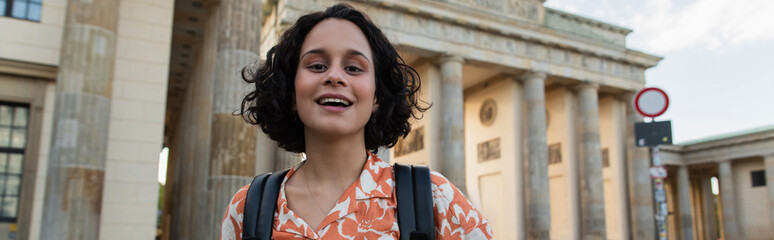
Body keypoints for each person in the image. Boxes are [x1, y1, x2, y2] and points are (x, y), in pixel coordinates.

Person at [220, 3, 492, 239]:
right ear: (291, 93)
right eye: (316, 66)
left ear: (378, 97)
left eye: (353, 68)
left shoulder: (434, 199)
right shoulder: (247, 209)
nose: (335, 76)